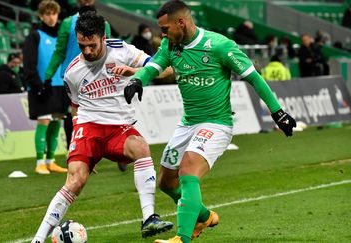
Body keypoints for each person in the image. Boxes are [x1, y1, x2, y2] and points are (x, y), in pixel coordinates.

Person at [123, 1, 297, 243]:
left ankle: (182, 238)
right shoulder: (170, 44)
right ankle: (203, 216)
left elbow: (253, 77)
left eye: (165, 29)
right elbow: (155, 64)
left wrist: (278, 113)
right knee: (166, 182)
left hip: (216, 124)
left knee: (188, 169)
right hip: (188, 124)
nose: (162, 34)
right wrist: (138, 80)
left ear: (181, 22)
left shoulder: (219, 45)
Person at [30, 11, 174, 243]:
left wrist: (134, 72)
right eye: (82, 45)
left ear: (103, 37)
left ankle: (149, 219)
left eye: (92, 45)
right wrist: (77, 145)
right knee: (76, 180)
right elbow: (76, 108)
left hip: (119, 127)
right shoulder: (72, 72)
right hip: (89, 128)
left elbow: (165, 69)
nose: (87, 51)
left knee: (141, 148)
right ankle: (37, 239)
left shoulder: (123, 51)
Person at [44, 0, 129, 172]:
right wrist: (48, 76)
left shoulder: (103, 24)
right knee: (73, 117)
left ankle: (120, 152)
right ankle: (76, 155)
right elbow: (60, 51)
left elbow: (111, 48)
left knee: (111, 111)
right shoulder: (68, 23)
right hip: (73, 79)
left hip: (100, 78)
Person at [23, 0, 68, 175]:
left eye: (53, 14)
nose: (51, 17)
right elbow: (29, 65)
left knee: (57, 122)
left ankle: (51, 160)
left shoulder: (61, 37)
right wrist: (37, 85)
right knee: (44, 121)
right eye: (47, 14)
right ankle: (39, 162)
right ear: (41, 16)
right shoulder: (34, 36)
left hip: (59, 85)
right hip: (41, 86)